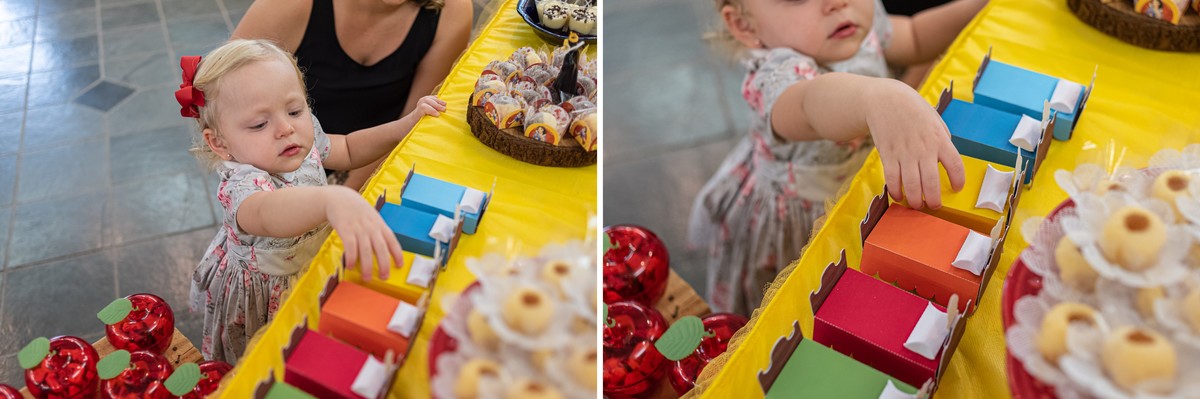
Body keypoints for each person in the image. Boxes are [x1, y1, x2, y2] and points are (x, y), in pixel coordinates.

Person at [688, 0, 987, 315]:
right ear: (745, 25)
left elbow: (914, 37)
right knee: (799, 307)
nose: (836, 2)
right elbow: (810, 105)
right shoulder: (775, 72)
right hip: (800, 221)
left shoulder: (856, 25)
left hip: (859, 186)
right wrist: (876, 97)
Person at [178, 39, 446, 362]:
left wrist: (403, 127)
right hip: (266, 296)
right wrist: (330, 199)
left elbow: (347, 147)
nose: (286, 128)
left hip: (311, 264)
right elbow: (267, 213)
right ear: (219, 143)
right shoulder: (242, 185)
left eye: (295, 109)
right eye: (260, 124)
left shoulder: (298, 141)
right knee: (269, 361)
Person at [232, 0, 471, 189]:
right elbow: (223, 100)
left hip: (371, 159)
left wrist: (348, 191)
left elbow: (411, 124)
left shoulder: (451, 11)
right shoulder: (289, 5)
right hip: (275, 170)